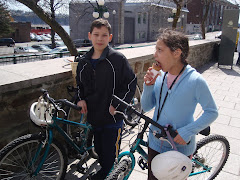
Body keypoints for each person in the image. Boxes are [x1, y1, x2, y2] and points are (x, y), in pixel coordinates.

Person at [141, 29, 218, 180]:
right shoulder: (160, 75)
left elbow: (212, 111)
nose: (155, 55)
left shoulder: (195, 81)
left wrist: (187, 131)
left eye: (160, 50)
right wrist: (148, 86)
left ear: (176, 53)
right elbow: (147, 106)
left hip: (180, 147)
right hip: (155, 142)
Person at [75, 18, 137, 179]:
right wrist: (80, 99)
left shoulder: (118, 59)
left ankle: (108, 174)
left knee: (110, 154)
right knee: (100, 150)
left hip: (112, 118)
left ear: (110, 37)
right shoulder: (83, 62)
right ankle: (105, 171)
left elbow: (130, 83)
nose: (100, 39)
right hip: (94, 117)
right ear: (90, 36)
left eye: (104, 35)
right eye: (96, 34)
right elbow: (80, 85)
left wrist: (116, 105)